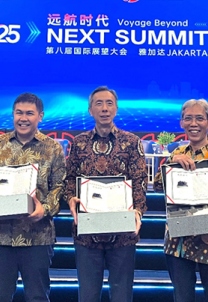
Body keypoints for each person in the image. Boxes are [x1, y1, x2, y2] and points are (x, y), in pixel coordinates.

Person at [0, 92, 66, 302]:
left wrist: (45, 209)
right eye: (19, 113)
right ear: (13, 114)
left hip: (37, 236)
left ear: (40, 116)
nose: (23, 118)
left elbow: (59, 186)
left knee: (37, 297)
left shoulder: (53, 148)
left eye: (29, 113)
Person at [64, 86, 147, 302]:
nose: (104, 108)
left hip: (123, 234)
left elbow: (139, 183)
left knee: (122, 296)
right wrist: (71, 198)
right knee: (88, 295)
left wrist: (138, 212)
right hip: (87, 234)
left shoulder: (132, 142)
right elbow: (70, 179)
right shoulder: (78, 143)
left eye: (109, 103)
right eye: (98, 103)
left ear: (116, 109)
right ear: (90, 110)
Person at [154, 99, 208, 302]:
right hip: (178, 244)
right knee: (182, 297)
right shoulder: (176, 155)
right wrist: (170, 163)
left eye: (199, 118)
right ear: (181, 123)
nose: (194, 124)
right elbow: (158, 185)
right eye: (188, 119)